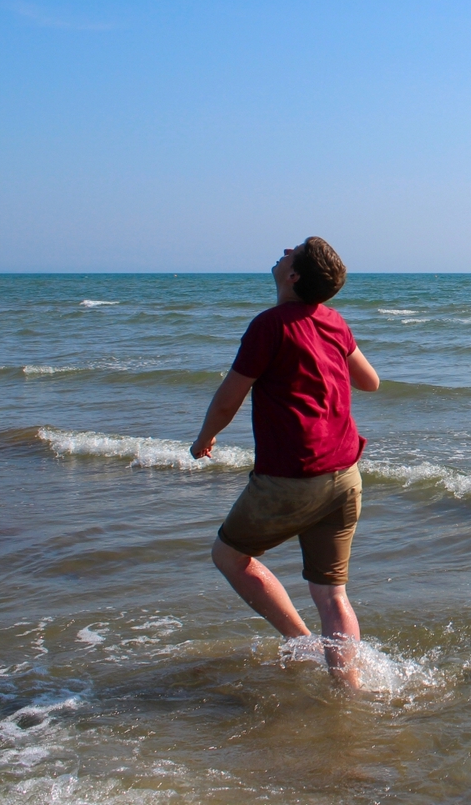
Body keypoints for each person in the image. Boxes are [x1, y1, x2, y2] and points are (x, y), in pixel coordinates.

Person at [190, 236, 379, 688]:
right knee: (332, 594)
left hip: (291, 479)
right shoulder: (333, 322)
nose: (280, 253)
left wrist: (205, 438)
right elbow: (370, 382)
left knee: (229, 555)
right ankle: (348, 689)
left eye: (289, 252)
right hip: (344, 475)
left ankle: (303, 642)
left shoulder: (269, 326)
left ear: (293, 275)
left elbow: (227, 400)